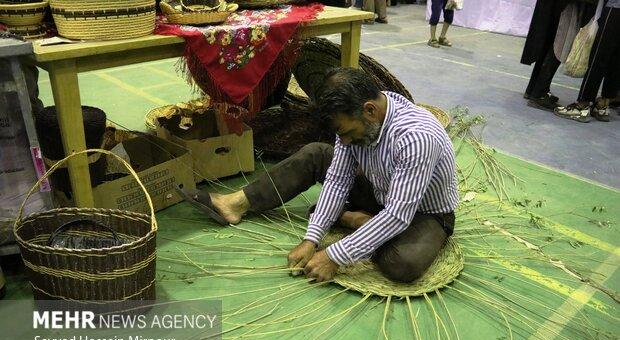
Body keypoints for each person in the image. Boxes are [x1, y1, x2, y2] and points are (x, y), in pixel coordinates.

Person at [178, 68, 459, 283]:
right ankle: (236, 203)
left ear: (370, 111)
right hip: (379, 190)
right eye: (341, 135)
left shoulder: (416, 137)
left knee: (404, 264)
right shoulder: (354, 122)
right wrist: (312, 239)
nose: (345, 142)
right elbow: (338, 180)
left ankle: (354, 219)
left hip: (423, 213)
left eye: (348, 133)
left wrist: (335, 255)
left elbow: (399, 214)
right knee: (315, 153)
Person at [555, 0, 620, 122]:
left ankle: (582, 104)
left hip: (615, 8)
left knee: (599, 56)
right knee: (615, 59)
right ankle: (603, 105)